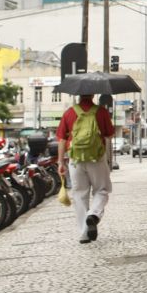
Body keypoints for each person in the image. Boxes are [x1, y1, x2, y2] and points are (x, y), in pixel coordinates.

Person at [56, 94, 115, 244]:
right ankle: (93, 215)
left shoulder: (69, 113)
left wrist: (60, 162)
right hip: (96, 158)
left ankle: (84, 234)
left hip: (75, 160)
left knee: (80, 195)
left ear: (79, 95)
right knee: (101, 190)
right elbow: (110, 135)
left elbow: (62, 139)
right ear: (93, 95)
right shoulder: (101, 112)